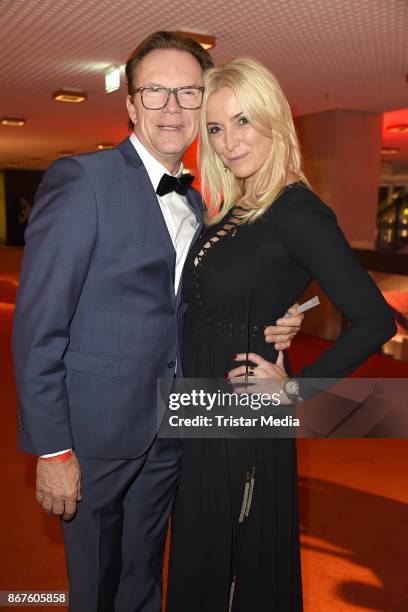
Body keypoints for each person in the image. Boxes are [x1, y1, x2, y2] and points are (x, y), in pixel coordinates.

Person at [11, 34, 302, 612]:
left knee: (145, 577)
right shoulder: (82, 181)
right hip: (93, 435)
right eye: (155, 91)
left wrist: (275, 318)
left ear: (205, 102)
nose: (172, 107)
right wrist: (51, 451)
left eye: (188, 92)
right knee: (94, 585)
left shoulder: (202, 202)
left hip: (176, 427)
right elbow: (38, 327)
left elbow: (199, 307)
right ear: (131, 104)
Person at [165, 58, 397, 612]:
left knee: (228, 560)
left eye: (242, 121)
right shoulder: (238, 204)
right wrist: (283, 308)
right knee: (201, 547)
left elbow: (374, 320)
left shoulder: (296, 210)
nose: (227, 142)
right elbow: (240, 284)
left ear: (274, 119)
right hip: (201, 401)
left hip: (240, 412)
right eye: (216, 128)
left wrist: (296, 390)